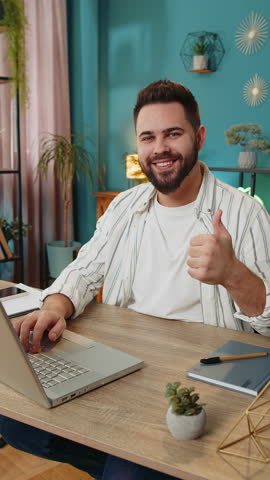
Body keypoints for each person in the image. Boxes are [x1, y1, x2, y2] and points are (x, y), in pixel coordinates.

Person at [1, 79, 270, 480]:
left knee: (127, 473)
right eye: (148, 137)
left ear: (198, 137)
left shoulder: (245, 214)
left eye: (173, 134)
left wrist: (234, 275)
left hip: (202, 382)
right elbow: (84, 268)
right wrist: (55, 305)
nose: (159, 148)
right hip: (129, 368)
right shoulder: (126, 206)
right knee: (15, 421)